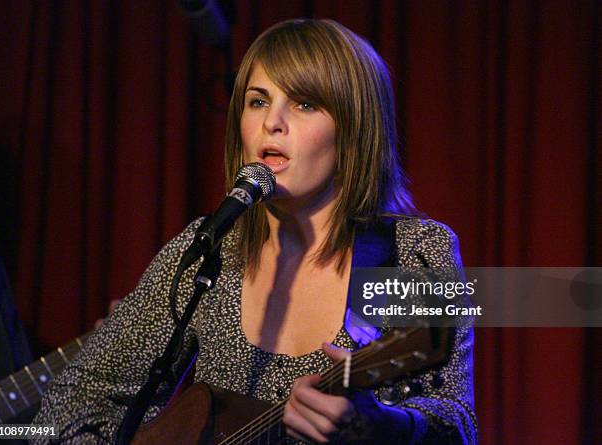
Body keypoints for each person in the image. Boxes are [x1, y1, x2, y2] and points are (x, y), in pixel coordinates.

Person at [33, 19, 477, 444]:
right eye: (258, 100)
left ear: (354, 130)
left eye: (304, 103)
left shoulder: (414, 252)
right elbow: (73, 397)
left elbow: (458, 425)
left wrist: (386, 428)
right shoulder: (211, 248)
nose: (272, 122)